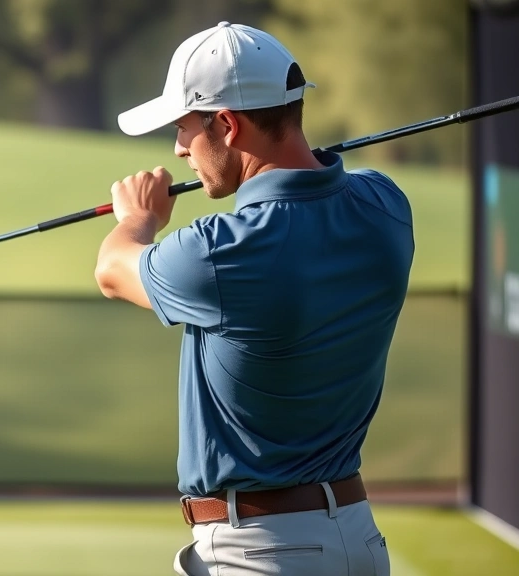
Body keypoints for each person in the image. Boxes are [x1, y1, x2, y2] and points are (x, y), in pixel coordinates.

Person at [95, 22, 413, 576]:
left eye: (183, 128)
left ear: (226, 123)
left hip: (263, 553)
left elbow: (111, 270)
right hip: (359, 541)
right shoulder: (386, 207)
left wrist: (138, 218)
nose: (178, 149)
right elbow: (332, 187)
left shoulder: (219, 254)